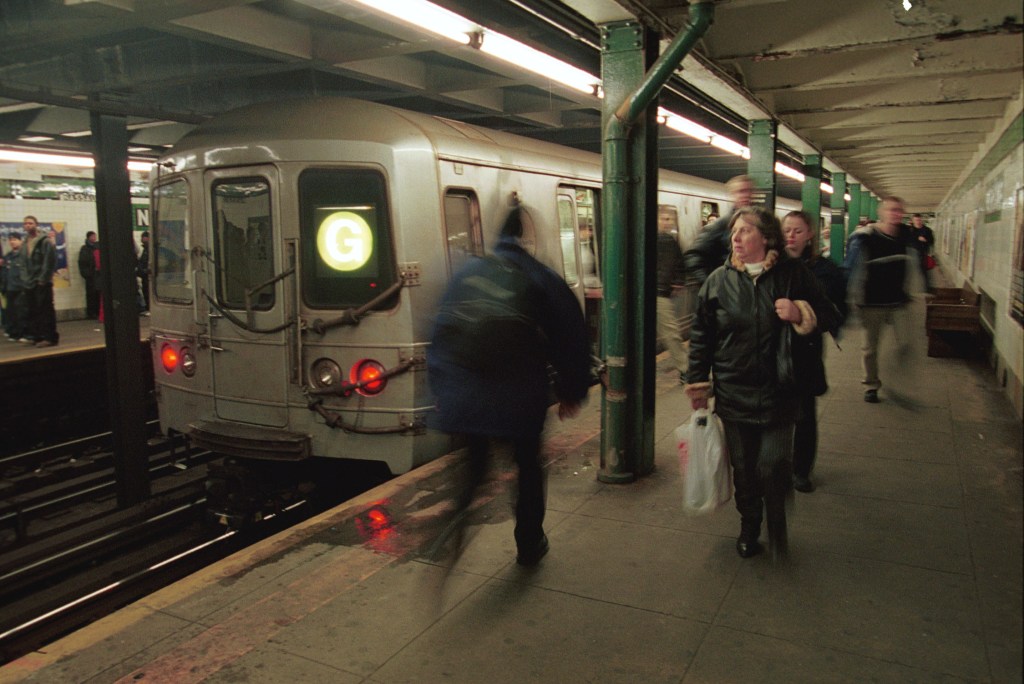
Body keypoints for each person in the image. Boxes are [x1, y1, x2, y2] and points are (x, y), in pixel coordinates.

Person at [427, 207, 591, 566]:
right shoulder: (541, 277)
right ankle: (529, 543)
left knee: (473, 465)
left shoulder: (467, 273)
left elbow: (440, 334)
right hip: (517, 400)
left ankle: (452, 526)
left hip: (464, 396)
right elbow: (571, 338)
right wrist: (571, 391)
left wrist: (441, 392)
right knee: (527, 467)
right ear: (527, 238)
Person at [685, 206, 839, 560]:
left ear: (766, 238)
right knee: (744, 469)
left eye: (745, 231)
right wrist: (696, 382)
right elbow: (701, 335)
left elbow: (831, 313)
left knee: (773, 463)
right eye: (734, 233)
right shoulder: (718, 281)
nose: (736, 239)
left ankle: (777, 514)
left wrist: (802, 313)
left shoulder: (794, 275)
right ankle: (750, 524)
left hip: (780, 391)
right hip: (733, 391)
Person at [782, 211, 848, 493]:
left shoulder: (826, 270)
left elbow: (835, 315)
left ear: (810, 234)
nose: (790, 236)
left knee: (804, 414)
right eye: (786, 230)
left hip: (805, 353)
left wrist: (804, 317)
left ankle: (801, 470)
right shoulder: (772, 266)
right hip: (771, 352)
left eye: (797, 231)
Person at [844, 196, 921, 404]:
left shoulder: (906, 235)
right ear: (882, 212)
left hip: (898, 301)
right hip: (872, 301)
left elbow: (917, 261)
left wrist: (922, 286)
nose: (896, 214)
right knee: (870, 348)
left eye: (899, 210)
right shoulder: (867, 236)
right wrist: (851, 298)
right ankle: (871, 384)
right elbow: (851, 267)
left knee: (906, 343)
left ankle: (893, 376)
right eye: (892, 210)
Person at [683, 175, 754, 285]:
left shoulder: (759, 224)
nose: (746, 195)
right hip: (729, 288)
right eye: (741, 191)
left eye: (749, 191)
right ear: (733, 194)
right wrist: (711, 285)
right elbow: (693, 256)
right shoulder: (720, 225)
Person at [656, 208, 688, 383]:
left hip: (660, 292)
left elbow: (678, 263)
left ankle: (685, 368)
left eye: (670, 219)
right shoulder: (665, 240)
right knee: (671, 333)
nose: (667, 222)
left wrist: (677, 281)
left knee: (670, 332)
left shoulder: (668, 240)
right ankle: (685, 369)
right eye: (664, 218)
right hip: (659, 292)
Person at [22, 215, 59, 347]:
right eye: (26, 223)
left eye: (31, 223)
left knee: (45, 310)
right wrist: (24, 278)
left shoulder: (45, 241)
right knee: (33, 310)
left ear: (36, 225)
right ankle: (37, 336)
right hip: (29, 282)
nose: (28, 225)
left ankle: (50, 337)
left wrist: (43, 279)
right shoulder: (25, 242)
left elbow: (49, 261)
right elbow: (24, 263)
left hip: (42, 281)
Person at [1, 232, 29, 341]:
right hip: (9, 288)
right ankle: (14, 333)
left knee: (22, 312)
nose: (12, 242)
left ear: (20, 240)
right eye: (10, 240)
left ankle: (25, 334)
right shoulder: (8, 256)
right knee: (11, 312)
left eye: (15, 239)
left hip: (21, 288)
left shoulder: (25, 254)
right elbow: (4, 272)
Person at [77, 231, 101, 319]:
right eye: (92, 236)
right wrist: (87, 274)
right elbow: (82, 262)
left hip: (98, 275)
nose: (94, 238)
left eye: (95, 236)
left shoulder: (98, 247)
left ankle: (98, 312)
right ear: (88, 237)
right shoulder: (84, 249)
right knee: (91, 294)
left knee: (98, 294)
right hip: (91, 276)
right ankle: (91, 313)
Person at [909, 213, 935, 289]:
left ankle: (927, 287)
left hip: (923, 253)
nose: (918, 221)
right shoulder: (909, 230)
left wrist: (925, 240)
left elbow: (932, 242)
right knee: (910, 271)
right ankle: (909, 289)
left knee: (924, 271)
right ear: (913, 221)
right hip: (911, 253)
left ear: (921, 220)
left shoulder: (927, 230)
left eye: (919, 220)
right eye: (916, 220)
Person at [137, 230, 151, 314]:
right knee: (145, 291)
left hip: (146, 274)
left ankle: (149, 308)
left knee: (147, 291)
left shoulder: (148, 250)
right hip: (145, 274)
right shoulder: (145, 249)